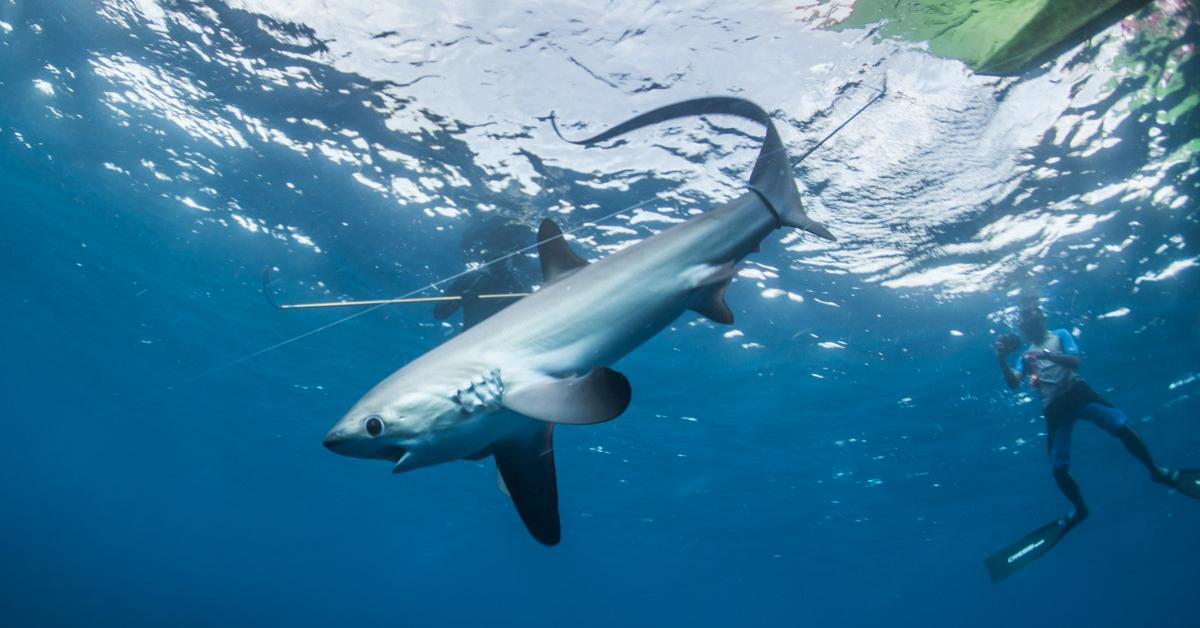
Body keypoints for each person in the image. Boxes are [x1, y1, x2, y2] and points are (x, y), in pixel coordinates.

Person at [995, 295, 1195, 528]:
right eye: (1026, 323)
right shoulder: (1025, 356)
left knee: (1120, 426)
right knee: (1058, 468)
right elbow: (1014, 382)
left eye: (1033, 319)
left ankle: (1156, 471)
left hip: (1078, 394)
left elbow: (1075, 362)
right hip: (1055, 408)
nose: (1030, 325)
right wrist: (1001, 359)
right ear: (1023, 328)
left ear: (1042, 319)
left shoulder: (1059, 335)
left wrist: (1045, 355)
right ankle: (1080, 509)